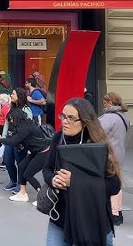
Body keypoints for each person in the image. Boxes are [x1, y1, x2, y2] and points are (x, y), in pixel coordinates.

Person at [43, 98, 121, 246]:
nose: (64, 121)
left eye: (71, 118)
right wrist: (53, 179)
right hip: (61, 219)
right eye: (63, 116)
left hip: (91, 220)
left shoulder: (97, 144)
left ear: (84, 122)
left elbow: (114, 185)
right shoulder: (58, 138)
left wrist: (74, 181)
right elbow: (46, 169)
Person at [0, 101, 51, 203]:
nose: (10, 121)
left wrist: (0, 139)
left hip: (44, 152)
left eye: (11, 119)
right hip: (35, 151)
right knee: (21, 166)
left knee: (28, 174)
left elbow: (14, 141)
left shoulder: (25, 127)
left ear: (16, 118)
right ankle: (22, 193)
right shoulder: (23, 126)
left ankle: (43, 197)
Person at [99, 92, 130, 226]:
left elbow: (97, 132)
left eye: (104, 102)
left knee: (110, 183)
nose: (103, 104)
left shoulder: (109, 118)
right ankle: (118, 212)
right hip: (119, 153)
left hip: (109, 155)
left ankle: (114, 213)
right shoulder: (124, 116)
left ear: (110, 103)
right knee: (117, 182)